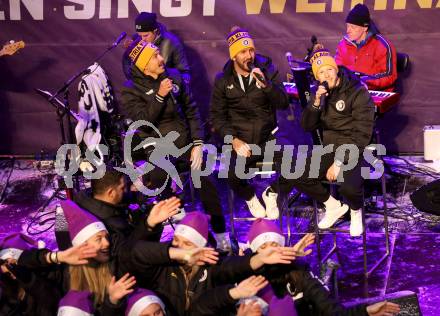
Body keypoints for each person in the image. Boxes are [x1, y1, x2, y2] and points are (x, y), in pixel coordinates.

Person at [121, 40, 230, 251]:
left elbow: (192, 111)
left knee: (206, 179)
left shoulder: (174, 76)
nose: (161, 58)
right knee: (161, 181)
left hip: (186, 145)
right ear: (144, 65)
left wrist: (198, 143)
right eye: (155, 56)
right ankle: (173, 234)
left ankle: (222, 236)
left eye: (158, 54)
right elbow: (143, 121)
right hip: (157, 149)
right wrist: (160, 96)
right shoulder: (130, 90)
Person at [264, 49, 375, 236]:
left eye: (329, 70)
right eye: (321, 72)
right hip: (330, 148)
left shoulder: (357, 91)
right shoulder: (320, 93)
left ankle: (356, 211)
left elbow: (362, 134)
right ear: (317, 76)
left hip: (357, 149)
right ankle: (333, 206)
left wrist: (338, 162)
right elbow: (306, 125)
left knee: (349, 187)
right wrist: (316, 103)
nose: (326, 75)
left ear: (336, 69)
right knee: (294, 171)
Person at [125, 211, 299, 316]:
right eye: (177, 240)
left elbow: (232, 267)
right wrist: (181, 253)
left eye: (188, 244)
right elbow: (134, 253)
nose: (179, 246)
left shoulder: (209, 264)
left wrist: (259, 258)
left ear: (202, 247)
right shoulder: (162, 262)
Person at [209, 27, 289, 220]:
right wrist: (234, 140)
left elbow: (283, 103)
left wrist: (266, 86)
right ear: (234, 56)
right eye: (243, 52)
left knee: (296, 165)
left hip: (268, 138)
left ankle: (272, 194)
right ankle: (251, 196)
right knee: (231, 175)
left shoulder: (266, 71)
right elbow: (217, 118)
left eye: (251, 50)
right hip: (241, 142)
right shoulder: (223, 80)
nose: (249, 55)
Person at [247, 219, 400, 316]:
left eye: (275, 244)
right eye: (263, 247)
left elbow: (331, 310)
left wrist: (366, 312)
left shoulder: (299, 273)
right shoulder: (246, 280)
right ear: (254, 253)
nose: (271, 251)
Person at [335, 4, 397, 91]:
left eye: (353, 27)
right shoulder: (343, 44)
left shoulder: (382, 45)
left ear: (365, 28)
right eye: (347, 26)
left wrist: (365, 81)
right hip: (349, 92)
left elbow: (389, 75)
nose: (348, 30)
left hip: (372, 92)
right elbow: (337, 69)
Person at [122, 12, 190, 84]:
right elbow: (127, 62)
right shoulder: (137, 39)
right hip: (144, 89)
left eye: (146, 35)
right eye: (140, 35)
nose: (142, 39)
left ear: (155, 31)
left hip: (165, 87)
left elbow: (184, 73)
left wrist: (174, 87)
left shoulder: (172, 42)